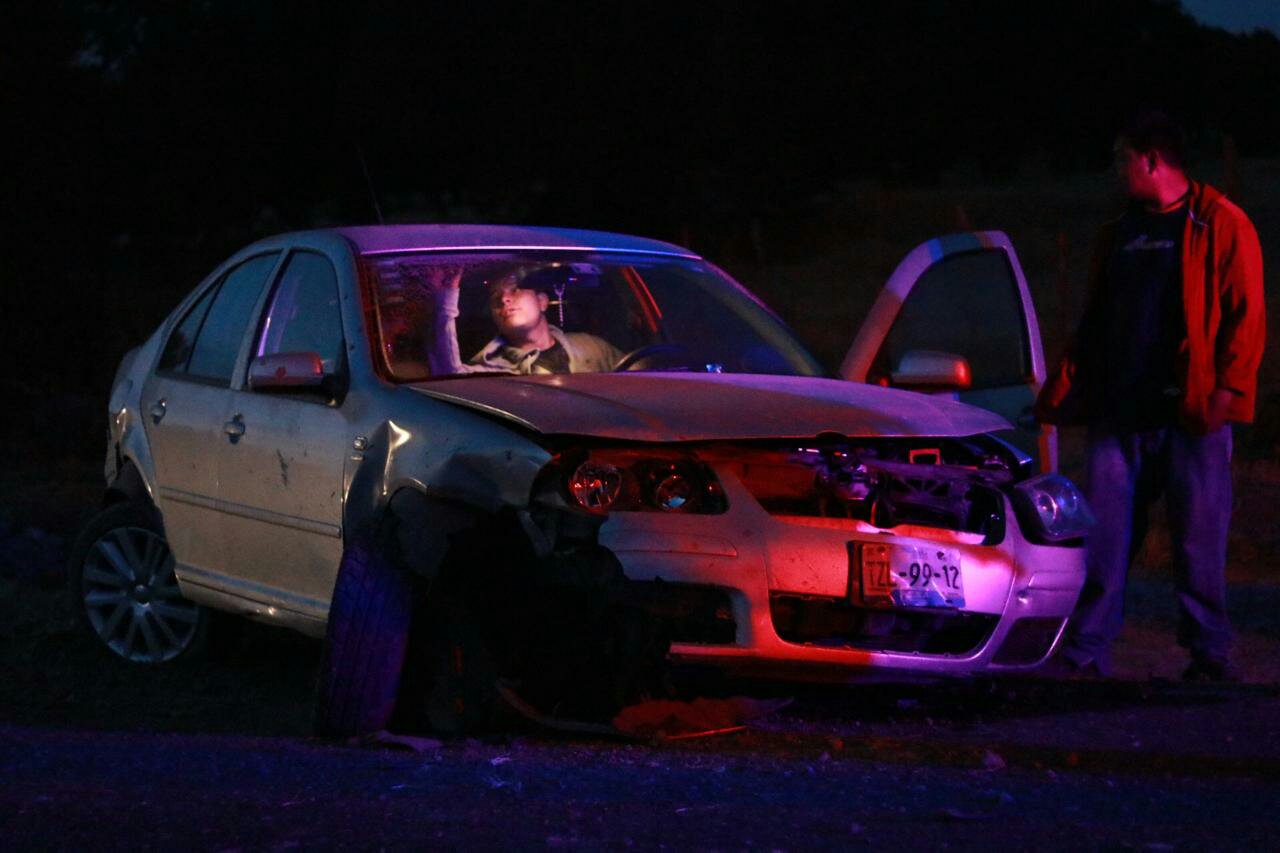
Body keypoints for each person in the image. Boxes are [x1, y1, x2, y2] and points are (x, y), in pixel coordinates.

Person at [1036, 111, 1266, 682]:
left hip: (1190, 411)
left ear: (1151, 160)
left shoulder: (1219, 223)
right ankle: (1086, 653)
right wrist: (1070, 387)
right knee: (1104, 539)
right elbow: (1096, 318)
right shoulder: (1120, 232)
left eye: (1122, 158)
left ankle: (1209, 653)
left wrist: (1228, 391)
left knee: (1199, 539)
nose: (1115, 170)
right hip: (1120, 411)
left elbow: (1246, 315)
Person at [424, 264, 622, 375]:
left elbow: (636, 374)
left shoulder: (592, 347)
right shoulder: (492, 371)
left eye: (515, 290)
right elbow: (447, 374)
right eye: (495, 297)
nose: (504, 299)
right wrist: (445, 299)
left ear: (542, 301)